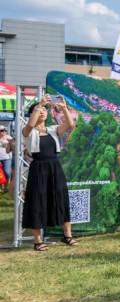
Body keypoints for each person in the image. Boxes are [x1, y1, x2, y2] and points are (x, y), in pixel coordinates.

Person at [21, 95, 77, 250]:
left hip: (55, 168)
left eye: (45, 110)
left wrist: (64, 108)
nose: (43, 112)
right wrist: (40, 104)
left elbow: (70, 124)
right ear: (33, 114)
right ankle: (38, 241)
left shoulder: (52, 130)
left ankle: (67, 236)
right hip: (38, 168)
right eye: (39, 111)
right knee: (37, 201)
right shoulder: (28, 132)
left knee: (61, 198)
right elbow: (31, 124)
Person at [0, 125, 14, 194]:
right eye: (2, 130)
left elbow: (13, 145)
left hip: (6, 158)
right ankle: (0, 188)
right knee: (0, 174)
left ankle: (6, 186)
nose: (4, 132)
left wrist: (9, 142)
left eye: (5, 130)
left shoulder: (8, 138)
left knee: (7, 173)